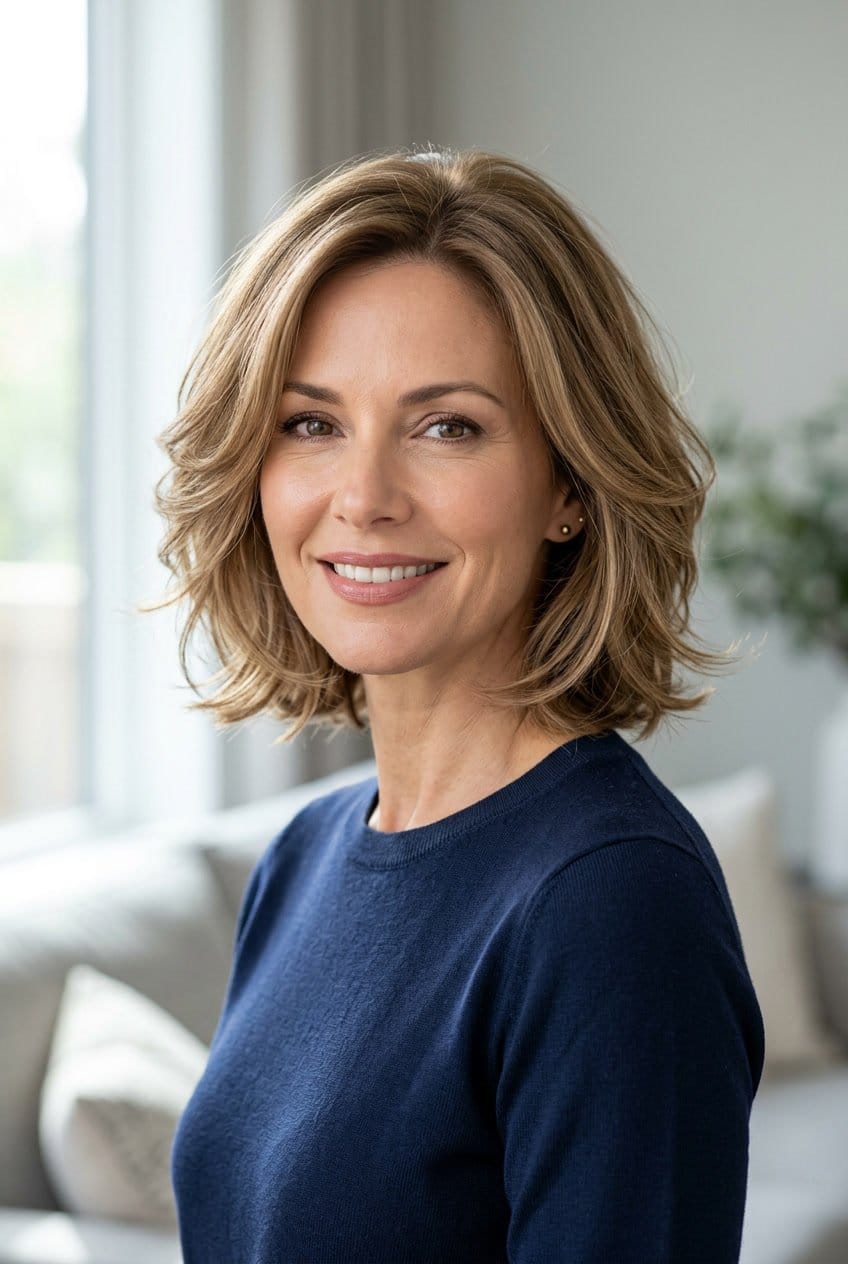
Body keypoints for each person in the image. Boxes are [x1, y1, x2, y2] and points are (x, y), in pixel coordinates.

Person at [149, 145, 765, 1262]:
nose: (365, 497)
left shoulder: (612, 903)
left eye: (447, 427)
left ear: (568, 487)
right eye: (310, 423)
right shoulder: (303, 858)